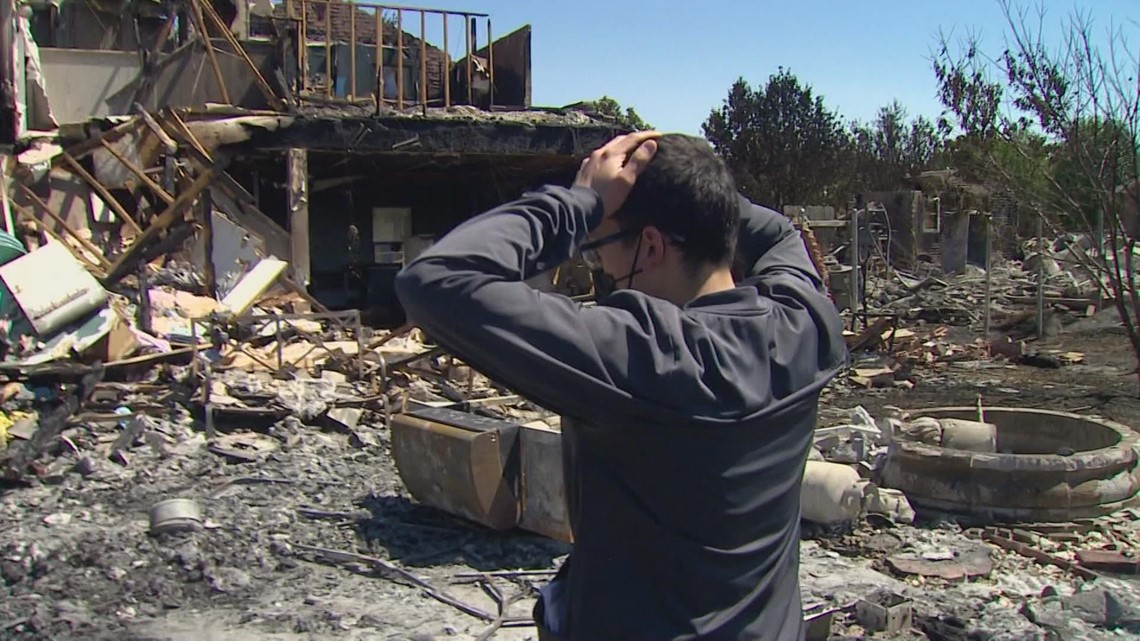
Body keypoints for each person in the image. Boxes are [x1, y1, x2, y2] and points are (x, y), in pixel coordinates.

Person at [394, 132, 847, 641]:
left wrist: (579, 203)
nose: (602, 268)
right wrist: (695, 189)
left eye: (598, 250)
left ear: (650, 245)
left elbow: (435, 280)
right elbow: (781, 233)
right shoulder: (802, 323)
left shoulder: (643, 359)